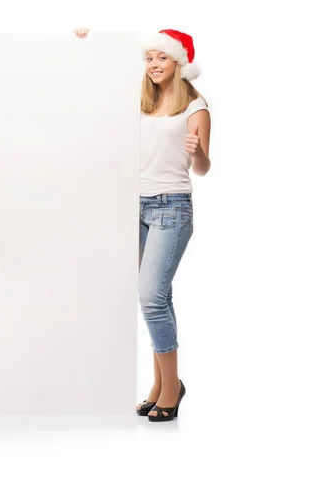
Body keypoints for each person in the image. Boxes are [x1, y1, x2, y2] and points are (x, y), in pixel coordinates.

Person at [75, 28, 211, 422]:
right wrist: (87, 41)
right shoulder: (139, 101)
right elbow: (96, 87)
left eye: (162, 58)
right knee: (158, 299)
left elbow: (202, 169)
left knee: (150, 298)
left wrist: (198, 150)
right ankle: (161, 384)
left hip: (172, 206)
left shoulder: (196, 107)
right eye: (149, 58)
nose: (153, 65)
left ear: (178, 63)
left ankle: (171, 387)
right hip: (131, 205)